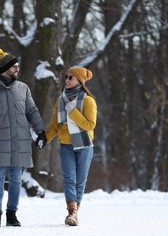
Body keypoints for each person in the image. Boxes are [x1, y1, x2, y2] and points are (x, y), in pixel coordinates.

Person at [0, 48, 47, 228]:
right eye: (14, 67)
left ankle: (12, 214)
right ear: (5, 68)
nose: (17, 70)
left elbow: (32, 111)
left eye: (18, 67)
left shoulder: (23, 88)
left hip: (21, 140)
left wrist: (41, 131)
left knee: (15, 179)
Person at [45, 66, 97, 226]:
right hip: (66, 144)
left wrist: (72, 112)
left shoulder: (88, 101)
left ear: (79, 81)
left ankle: (75, 211)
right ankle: (72, 213)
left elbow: (90, 125)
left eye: (70, 78)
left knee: (80, 181)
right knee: (69, 179)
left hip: (84, 146)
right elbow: (55, 125)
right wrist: (43, 139)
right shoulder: (60, 100)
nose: (66, 80)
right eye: (66, 77)